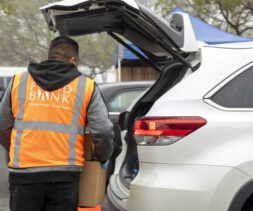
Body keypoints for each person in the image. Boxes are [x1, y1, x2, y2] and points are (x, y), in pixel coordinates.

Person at [0, 36, 114, 211]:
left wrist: (17, 150)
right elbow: (103, 131)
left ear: (50, 56)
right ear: (73, 60)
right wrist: (103, 157)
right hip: (65, 176)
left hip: (24, 174)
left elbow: (2, 125)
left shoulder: (18, 82)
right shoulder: (86, 86)